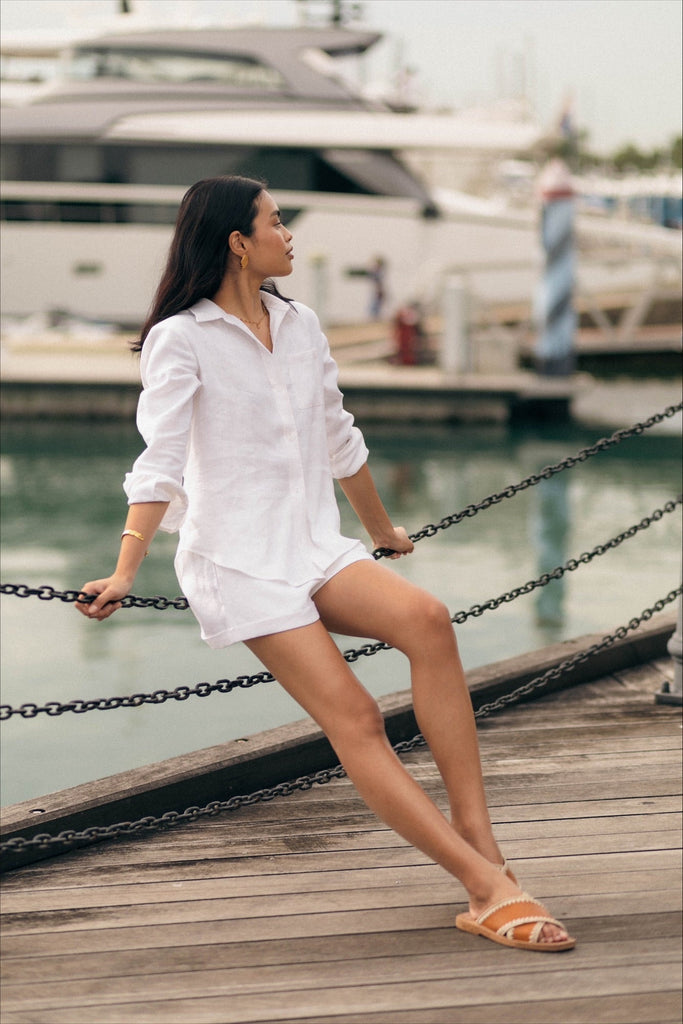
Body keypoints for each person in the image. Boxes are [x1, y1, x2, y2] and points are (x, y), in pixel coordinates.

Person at [77, 175, 575, 953]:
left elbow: (337, 434)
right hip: (237, 560)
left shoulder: (300, 323)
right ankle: (486, 892)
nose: (288, 234)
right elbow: (161, 463)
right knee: (356, 717)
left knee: (427, 620)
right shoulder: (183, 337)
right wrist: (124, 569)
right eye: (276, 222)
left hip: (312, 545)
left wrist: (380, 531)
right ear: (239, 242)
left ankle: (484, 847)